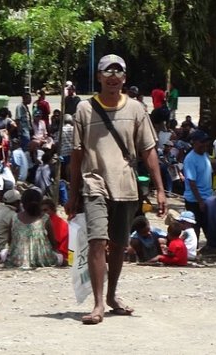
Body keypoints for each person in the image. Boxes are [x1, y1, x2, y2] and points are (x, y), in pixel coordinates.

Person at [68, 54, 167, 325]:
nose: (113, 77)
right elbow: (76, 156)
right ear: (98, 77)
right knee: (97, 241)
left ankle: (111, 295)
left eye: (118, 72)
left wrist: (160, 189)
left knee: (118, 244)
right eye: (107, 72)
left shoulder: (136, 109)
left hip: (125, 184)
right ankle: (98, 303)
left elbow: (148, 150)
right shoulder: (84, 110)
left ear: (124, 78)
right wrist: (72, 194)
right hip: (94, 183)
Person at [8, 187, 60, 269]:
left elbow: (10, 241)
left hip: (17, 259)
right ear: (40, 203)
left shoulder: (14, 218)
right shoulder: (45, 218)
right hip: (43, 258)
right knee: (60, 257)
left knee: (3, 253)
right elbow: (53, 242)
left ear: (22, 203)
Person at [183, 129, 214, 240]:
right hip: (194, 200)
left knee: (208, 226)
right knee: (195, 228)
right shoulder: (190, 159)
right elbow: (192, 182)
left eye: (206, 142)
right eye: (202, 142)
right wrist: (200, 201)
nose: (205, 144)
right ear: (194, 142)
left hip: (207, 197)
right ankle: (193, 247)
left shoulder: (205, 155)